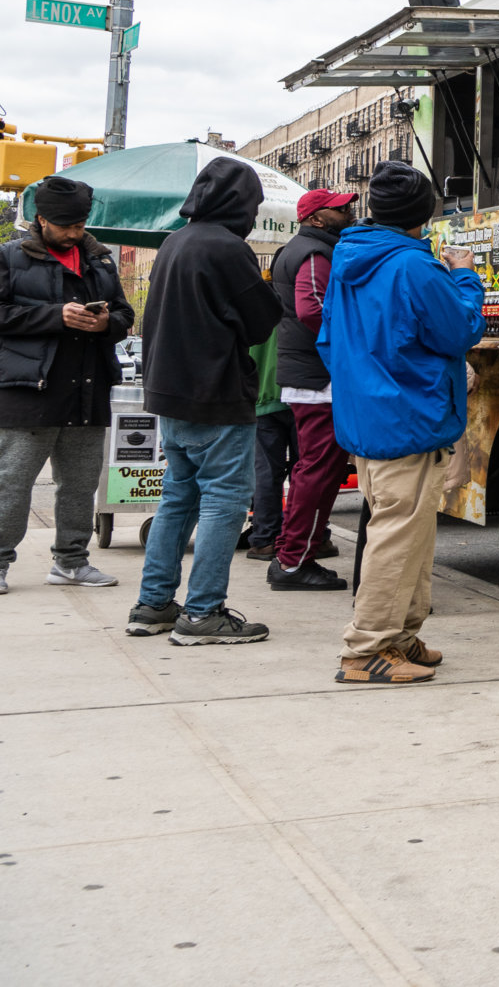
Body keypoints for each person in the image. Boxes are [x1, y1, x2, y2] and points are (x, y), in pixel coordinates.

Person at [318, 162, 483, 684]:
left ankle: (400, 636)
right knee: (398, 533)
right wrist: (464, 274)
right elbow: (460, 331)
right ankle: (367, 648)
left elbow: (328, 342)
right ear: (423, 214)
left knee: (408, 532)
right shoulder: (414, 266)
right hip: (408, 417)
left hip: (370, 417)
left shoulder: (349, 257)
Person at [126, 159, 284, 643]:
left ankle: (153, 605)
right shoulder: (228, 249)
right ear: (239, 205)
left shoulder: (175, 241)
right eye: (253, 205)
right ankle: (202, 613)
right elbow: (261, 321)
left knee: (178, 496)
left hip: (170, 392)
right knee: (223, 502)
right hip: (215, 391)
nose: (254, 215)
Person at [0, 176, 133, 595]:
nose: (74, 232)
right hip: (26, 388)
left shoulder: (101, 260)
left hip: (87, 387)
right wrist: (54, 316)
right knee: (13, 480)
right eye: (65, 226)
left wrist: (106, 323)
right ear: (41, 220)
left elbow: (123, 314)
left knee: (80, 483)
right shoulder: (9, 256)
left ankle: (72, 560)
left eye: (80, 225)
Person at [266, 188, 357, 589]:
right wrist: (350, 344)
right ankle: (292, 561)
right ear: (317, 219)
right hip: (318, 379)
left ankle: (294, 553)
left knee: (316, 469)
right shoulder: (315, 252)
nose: (348, 211)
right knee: (318, 471)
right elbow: (311, 309)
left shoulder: (304, 248)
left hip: (310, 376)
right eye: (339, 208)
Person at [242, 336, 293, 561]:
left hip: (260, 392)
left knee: (265, 472)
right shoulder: (304, 299)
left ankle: (264, 539)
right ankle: (305, 538)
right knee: (306, 471)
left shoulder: (253, 300)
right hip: (300, 390)